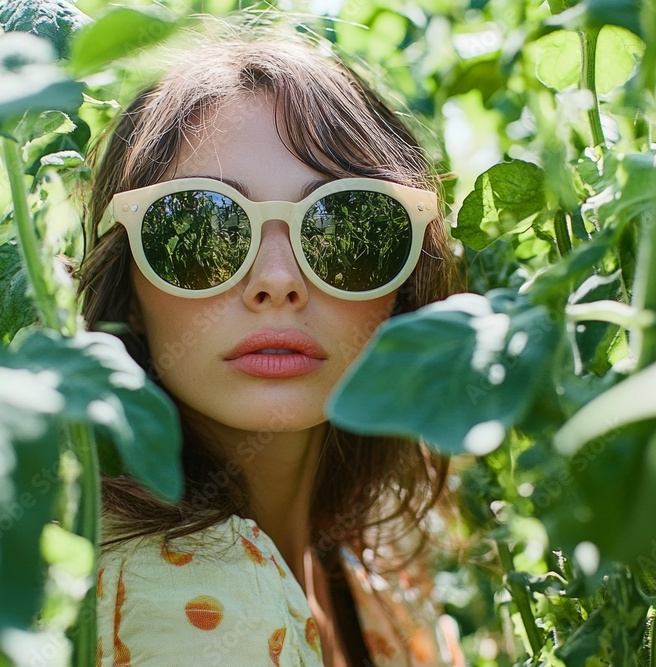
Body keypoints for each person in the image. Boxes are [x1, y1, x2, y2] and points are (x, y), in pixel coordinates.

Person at [77, 23, 467, 667]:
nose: (277, 282)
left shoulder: (376, 569)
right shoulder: (161, 605)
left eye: (348, 225)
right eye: (201, 229)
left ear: (405, 283)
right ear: (129, 295)